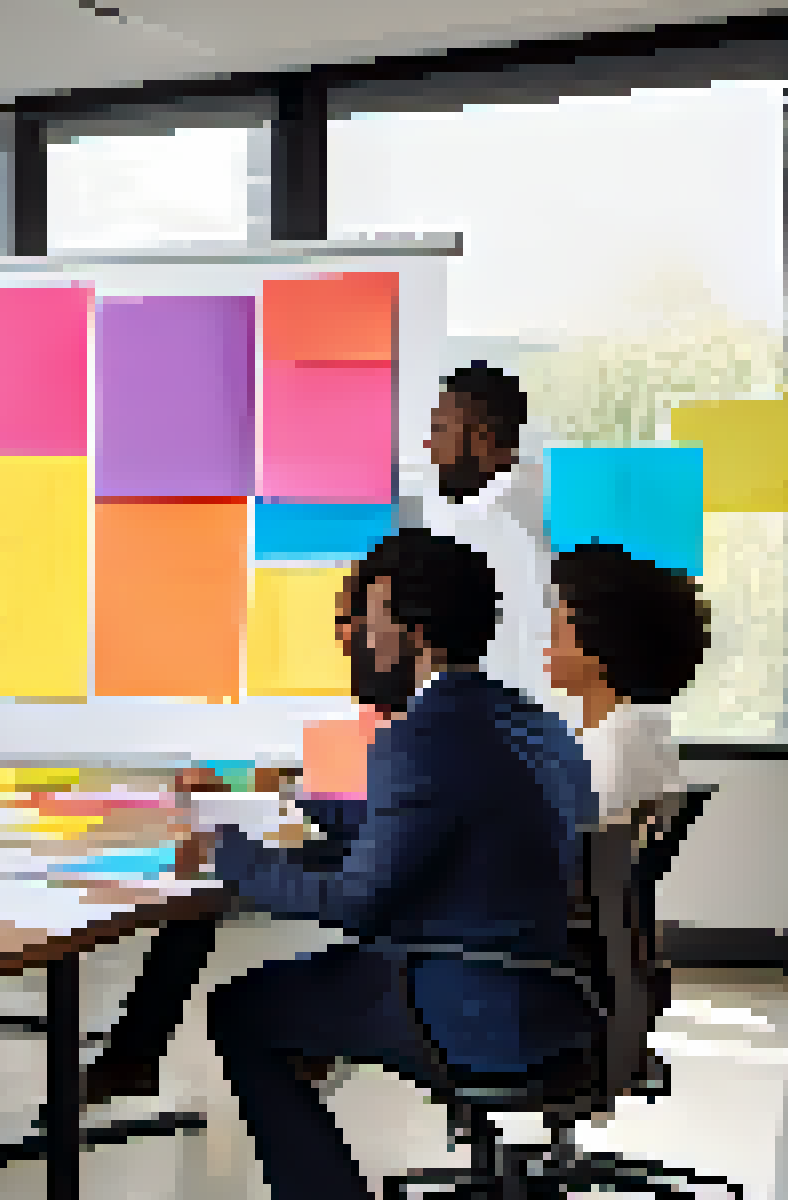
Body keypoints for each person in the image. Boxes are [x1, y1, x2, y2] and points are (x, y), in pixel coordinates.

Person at [205, 529, 598, 1200]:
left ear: (415, 633)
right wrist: (300, 802)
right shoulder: (532, 723)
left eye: (369, 619)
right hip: (558, 992)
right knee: (310, 998)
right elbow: (437, 818)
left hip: (472, 1005)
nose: (356, 639)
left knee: (241, 1010)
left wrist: (226, 854)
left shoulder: (419, 739)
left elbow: (358, 903)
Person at [82, 561, 392, 1108]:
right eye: (339, 619)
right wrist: (245, 794)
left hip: (407, 891)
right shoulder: (390, 700)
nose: (341, 635)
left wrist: (252, 824)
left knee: (221, 875)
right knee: (208, 884)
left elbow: (380, 835)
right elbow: (361, 808)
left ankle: (320, 1030)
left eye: (352, 619)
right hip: (374, 848)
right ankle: (133, 1059)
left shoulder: (428, 717)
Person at [412, 361, 561, 719]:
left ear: (483, 437)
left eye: (441, 429)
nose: (429, 444)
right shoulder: (500, 509)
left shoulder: (512, 520)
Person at [545, 542, 711, 829]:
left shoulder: (600, 762)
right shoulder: (644, 738)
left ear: (598, 641)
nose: (547, 635)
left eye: (559, 627)